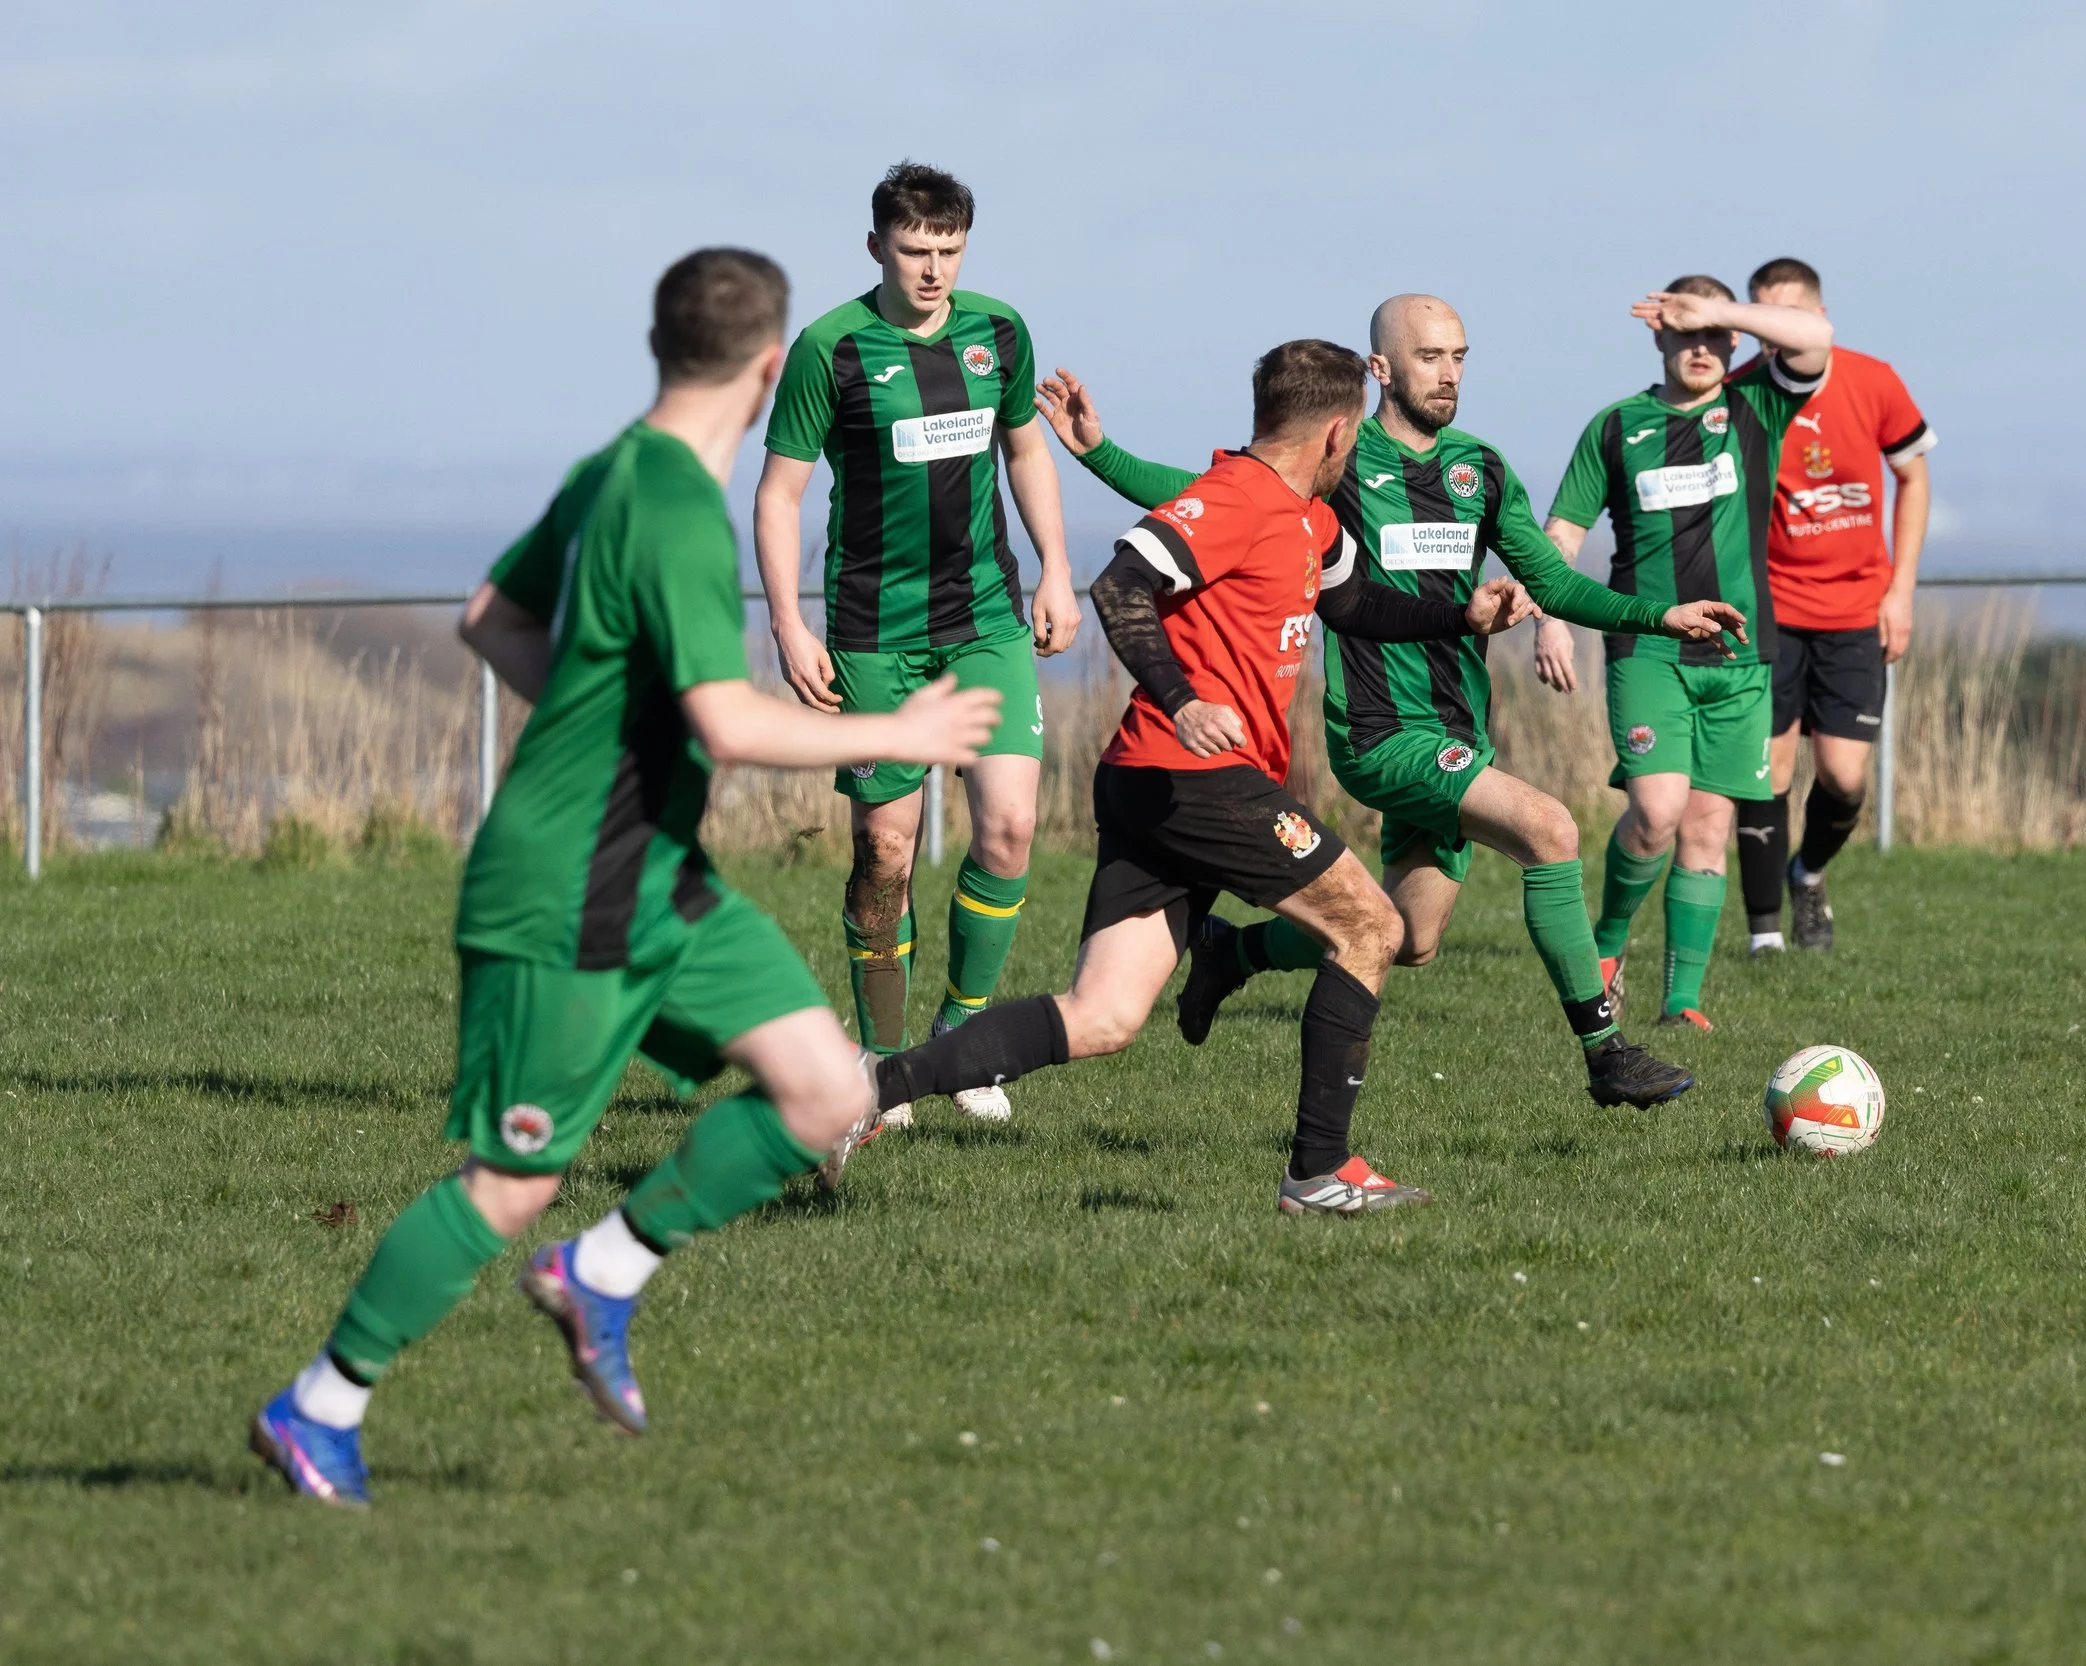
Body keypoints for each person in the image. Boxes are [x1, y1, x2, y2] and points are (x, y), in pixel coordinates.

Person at [249, 249, 1002, 1507]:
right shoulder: (665, 508)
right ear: (771, 370)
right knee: (511, 1180)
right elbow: (727, 722)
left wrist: (602, 726)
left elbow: (489, 616)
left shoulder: (611, 468)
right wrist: (901, 735)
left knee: (827, 1093)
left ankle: (601, 1272)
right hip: (568, 887)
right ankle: (317, 1405)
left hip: (655, 868)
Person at [871, 339, 1543, 1213]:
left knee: (1105, 1015)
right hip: (1192, 772)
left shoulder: (1311, 517)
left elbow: (1352, 606)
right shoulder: (1237, 497)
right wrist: (1183, 699)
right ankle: (1320, 1172)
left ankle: (865, 1093)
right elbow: (1119, 588)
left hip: (1158, 782)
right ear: (1340, 433)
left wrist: (1462, 611)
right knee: (1372, 928)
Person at [1038, 295, 1745, 1107]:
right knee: (1550, 830)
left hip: (1458, 731)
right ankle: (1605, 1051)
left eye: (1460, 357)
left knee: (1408, 937)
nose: (1449, 374)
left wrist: (1662, 616)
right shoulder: (1336, 461)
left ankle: (1231, 957)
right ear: (1380, 369)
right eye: (1430, 357)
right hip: (1379, 732)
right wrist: (1100, 452)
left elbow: (1549, 581)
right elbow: (1201, 490)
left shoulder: (1479, 469)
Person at [754, 161, 1080, 1128]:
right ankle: (883, 1061)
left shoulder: (1000, 332)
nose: (932, 270)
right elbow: (779, 492)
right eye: (913, 251)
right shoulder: (830, 349)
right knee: (885, 849)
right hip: (871, 629)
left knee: (1011, 827)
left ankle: (964, 1046)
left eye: (948, 251)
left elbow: (1025, 447)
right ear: (876, 248)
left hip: (984, 616)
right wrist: (787, 621)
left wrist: (1057, 569)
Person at [1531, 278, 1832, 1029]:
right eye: (1683, 331)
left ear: (1733, 343)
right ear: (1657, 336)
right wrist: (1549, 617)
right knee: (1658, 813)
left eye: (1712, 336)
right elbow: (1562, 533)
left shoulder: (1756, 405)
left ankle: (1682, 1004)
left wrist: (1720, 310)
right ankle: (1606, 943)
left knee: (1706, 828)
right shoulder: (1616, 427)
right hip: (1649, 650)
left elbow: (1816, 339)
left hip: (1739, 659)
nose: (1699, 348)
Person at [1726, 258, 1934, 952]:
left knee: (1844, 778)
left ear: (1815, 318)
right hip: (1773, 612)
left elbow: (1913, 475)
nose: (1768, 332)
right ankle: (1765, 940)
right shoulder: (1738, 392)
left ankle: (1808, 873)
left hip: (1855, 613)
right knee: (1770, 770)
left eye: (1781, 315)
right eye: (1757, 315)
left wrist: (1900, 589)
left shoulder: (1873, 380)